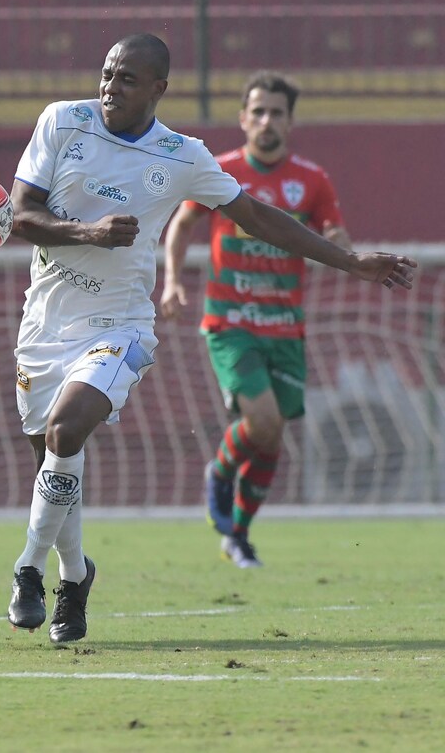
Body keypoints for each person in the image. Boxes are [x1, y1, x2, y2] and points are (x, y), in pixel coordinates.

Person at [5, 34, 415, 643]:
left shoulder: (182, 155)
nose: (110, 87)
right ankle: (76, 575)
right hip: (45, 323)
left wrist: (348, 261)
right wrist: (87, 232)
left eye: (127, 79)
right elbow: (19, 216)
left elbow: (258, 217)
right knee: (53, 466)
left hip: (120, 325)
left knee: (68, 432)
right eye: (107, 74)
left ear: (158, 89)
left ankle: (27, 572)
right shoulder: (63, 123)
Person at [159, 71, 350, 568]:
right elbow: (181, 226)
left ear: (290, 122)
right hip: (230, 321)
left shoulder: (313, 179)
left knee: (271, 438)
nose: (267, 121)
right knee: (261, 421)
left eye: (277, 113)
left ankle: (238, 536)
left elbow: (335, 233)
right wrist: (175, 282)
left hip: (285, 325)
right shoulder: (220, 171)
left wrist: (346, 249)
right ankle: (219, 473)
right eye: (258, 111)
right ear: (243, 118)